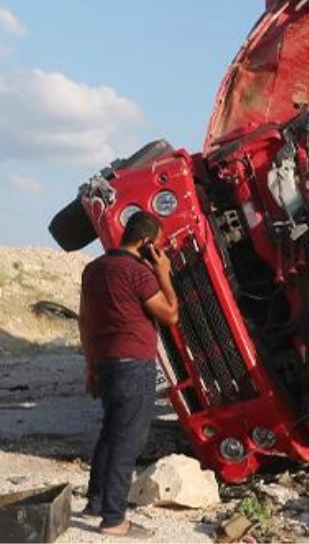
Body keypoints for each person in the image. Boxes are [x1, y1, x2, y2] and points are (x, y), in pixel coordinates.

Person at [78, 211, 179, 538]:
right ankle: (113, 518)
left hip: (106, 363)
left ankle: (96, 501)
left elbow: (85, 322)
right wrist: (163, 273)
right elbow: (171, 315)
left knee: (111, 432)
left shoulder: (93, 270)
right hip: (134, 365)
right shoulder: (139, 274)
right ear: (147, 243)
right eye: (157, 246)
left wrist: (91, 366)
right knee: (128, 441)